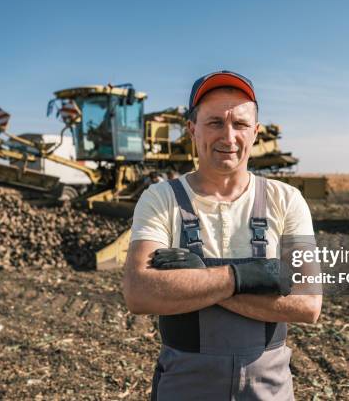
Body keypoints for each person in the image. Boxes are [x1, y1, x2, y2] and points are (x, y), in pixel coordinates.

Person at [123, 70, 322, 400]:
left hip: (268, 389)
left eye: (240, 124)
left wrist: (194, 280)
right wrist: (245, 277)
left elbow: (307, 303)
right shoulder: (161, 199)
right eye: (215, 122)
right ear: (192, 129)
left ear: (255, 132)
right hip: (185, 386)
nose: (228, 137)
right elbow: (139, 293)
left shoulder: (286, 199)